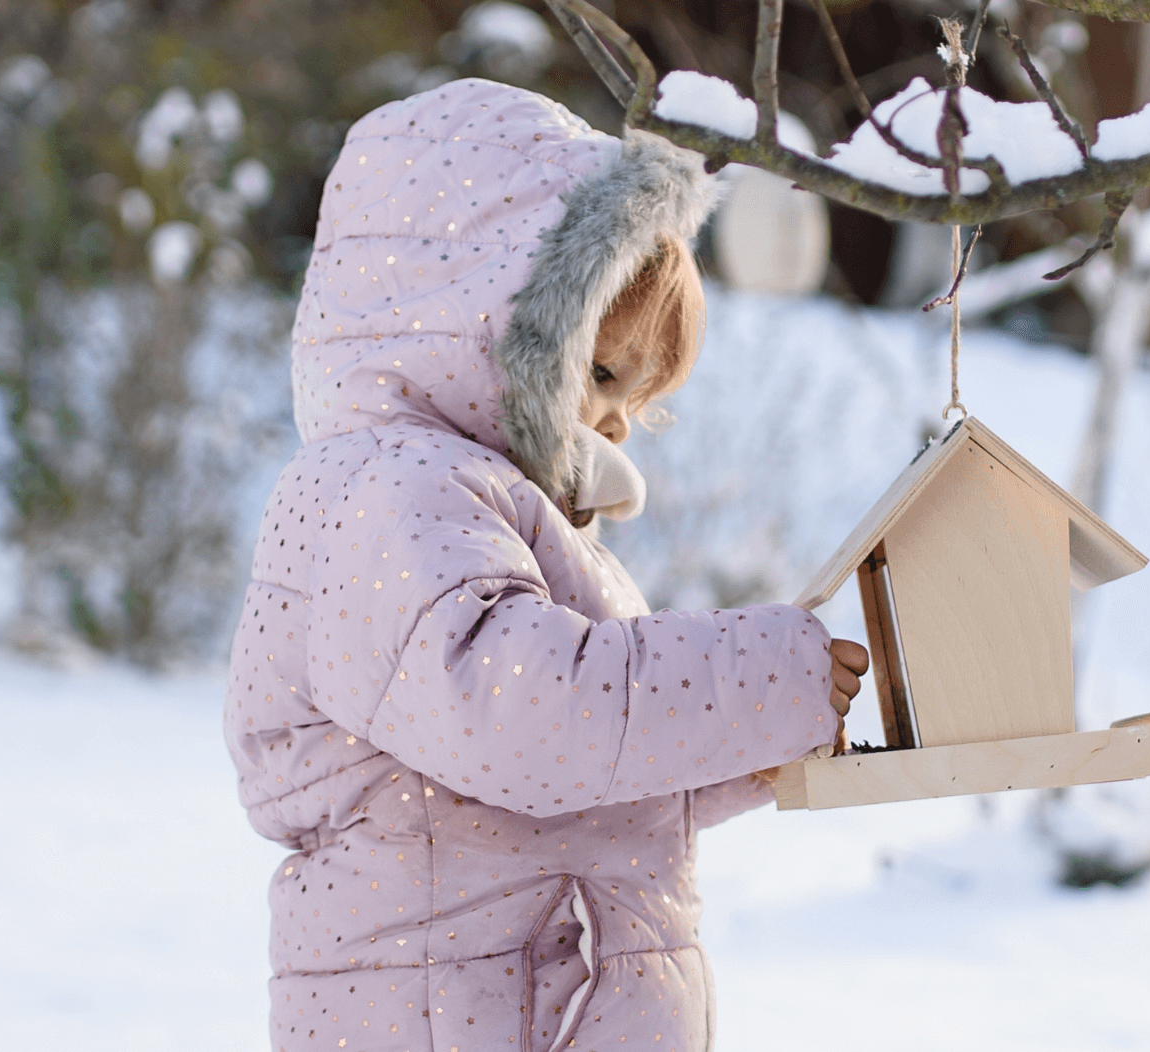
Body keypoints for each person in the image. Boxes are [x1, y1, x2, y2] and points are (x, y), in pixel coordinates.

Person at [224, 79, 868, 1052]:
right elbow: (521, 718)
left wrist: (767, 739)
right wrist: (766, 674)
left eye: (643, 398)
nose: (615, 422)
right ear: (478, 317)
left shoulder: (506, 520)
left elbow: (602, 772)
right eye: (604, 373)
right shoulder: (390, 491)